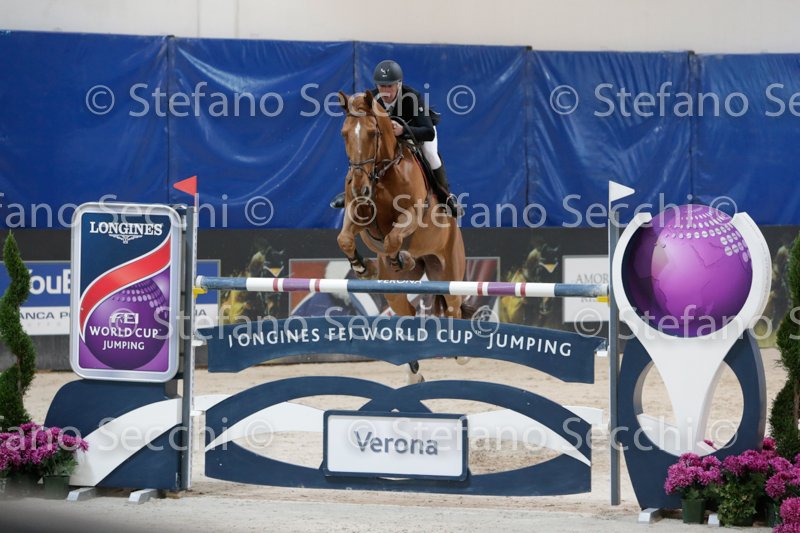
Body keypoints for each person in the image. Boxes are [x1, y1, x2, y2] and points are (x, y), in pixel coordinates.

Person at [331, 60, 461, 216]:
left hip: (418, 131)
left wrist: (403, 130)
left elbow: (428, 132)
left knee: (430, 155)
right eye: (381, 86)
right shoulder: (371, 99)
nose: (385, 91)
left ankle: (445, 196)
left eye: (389, 86)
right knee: (364, 150)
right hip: (390, 137)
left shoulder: (412, 97)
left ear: (399, 84)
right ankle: (352, 192)